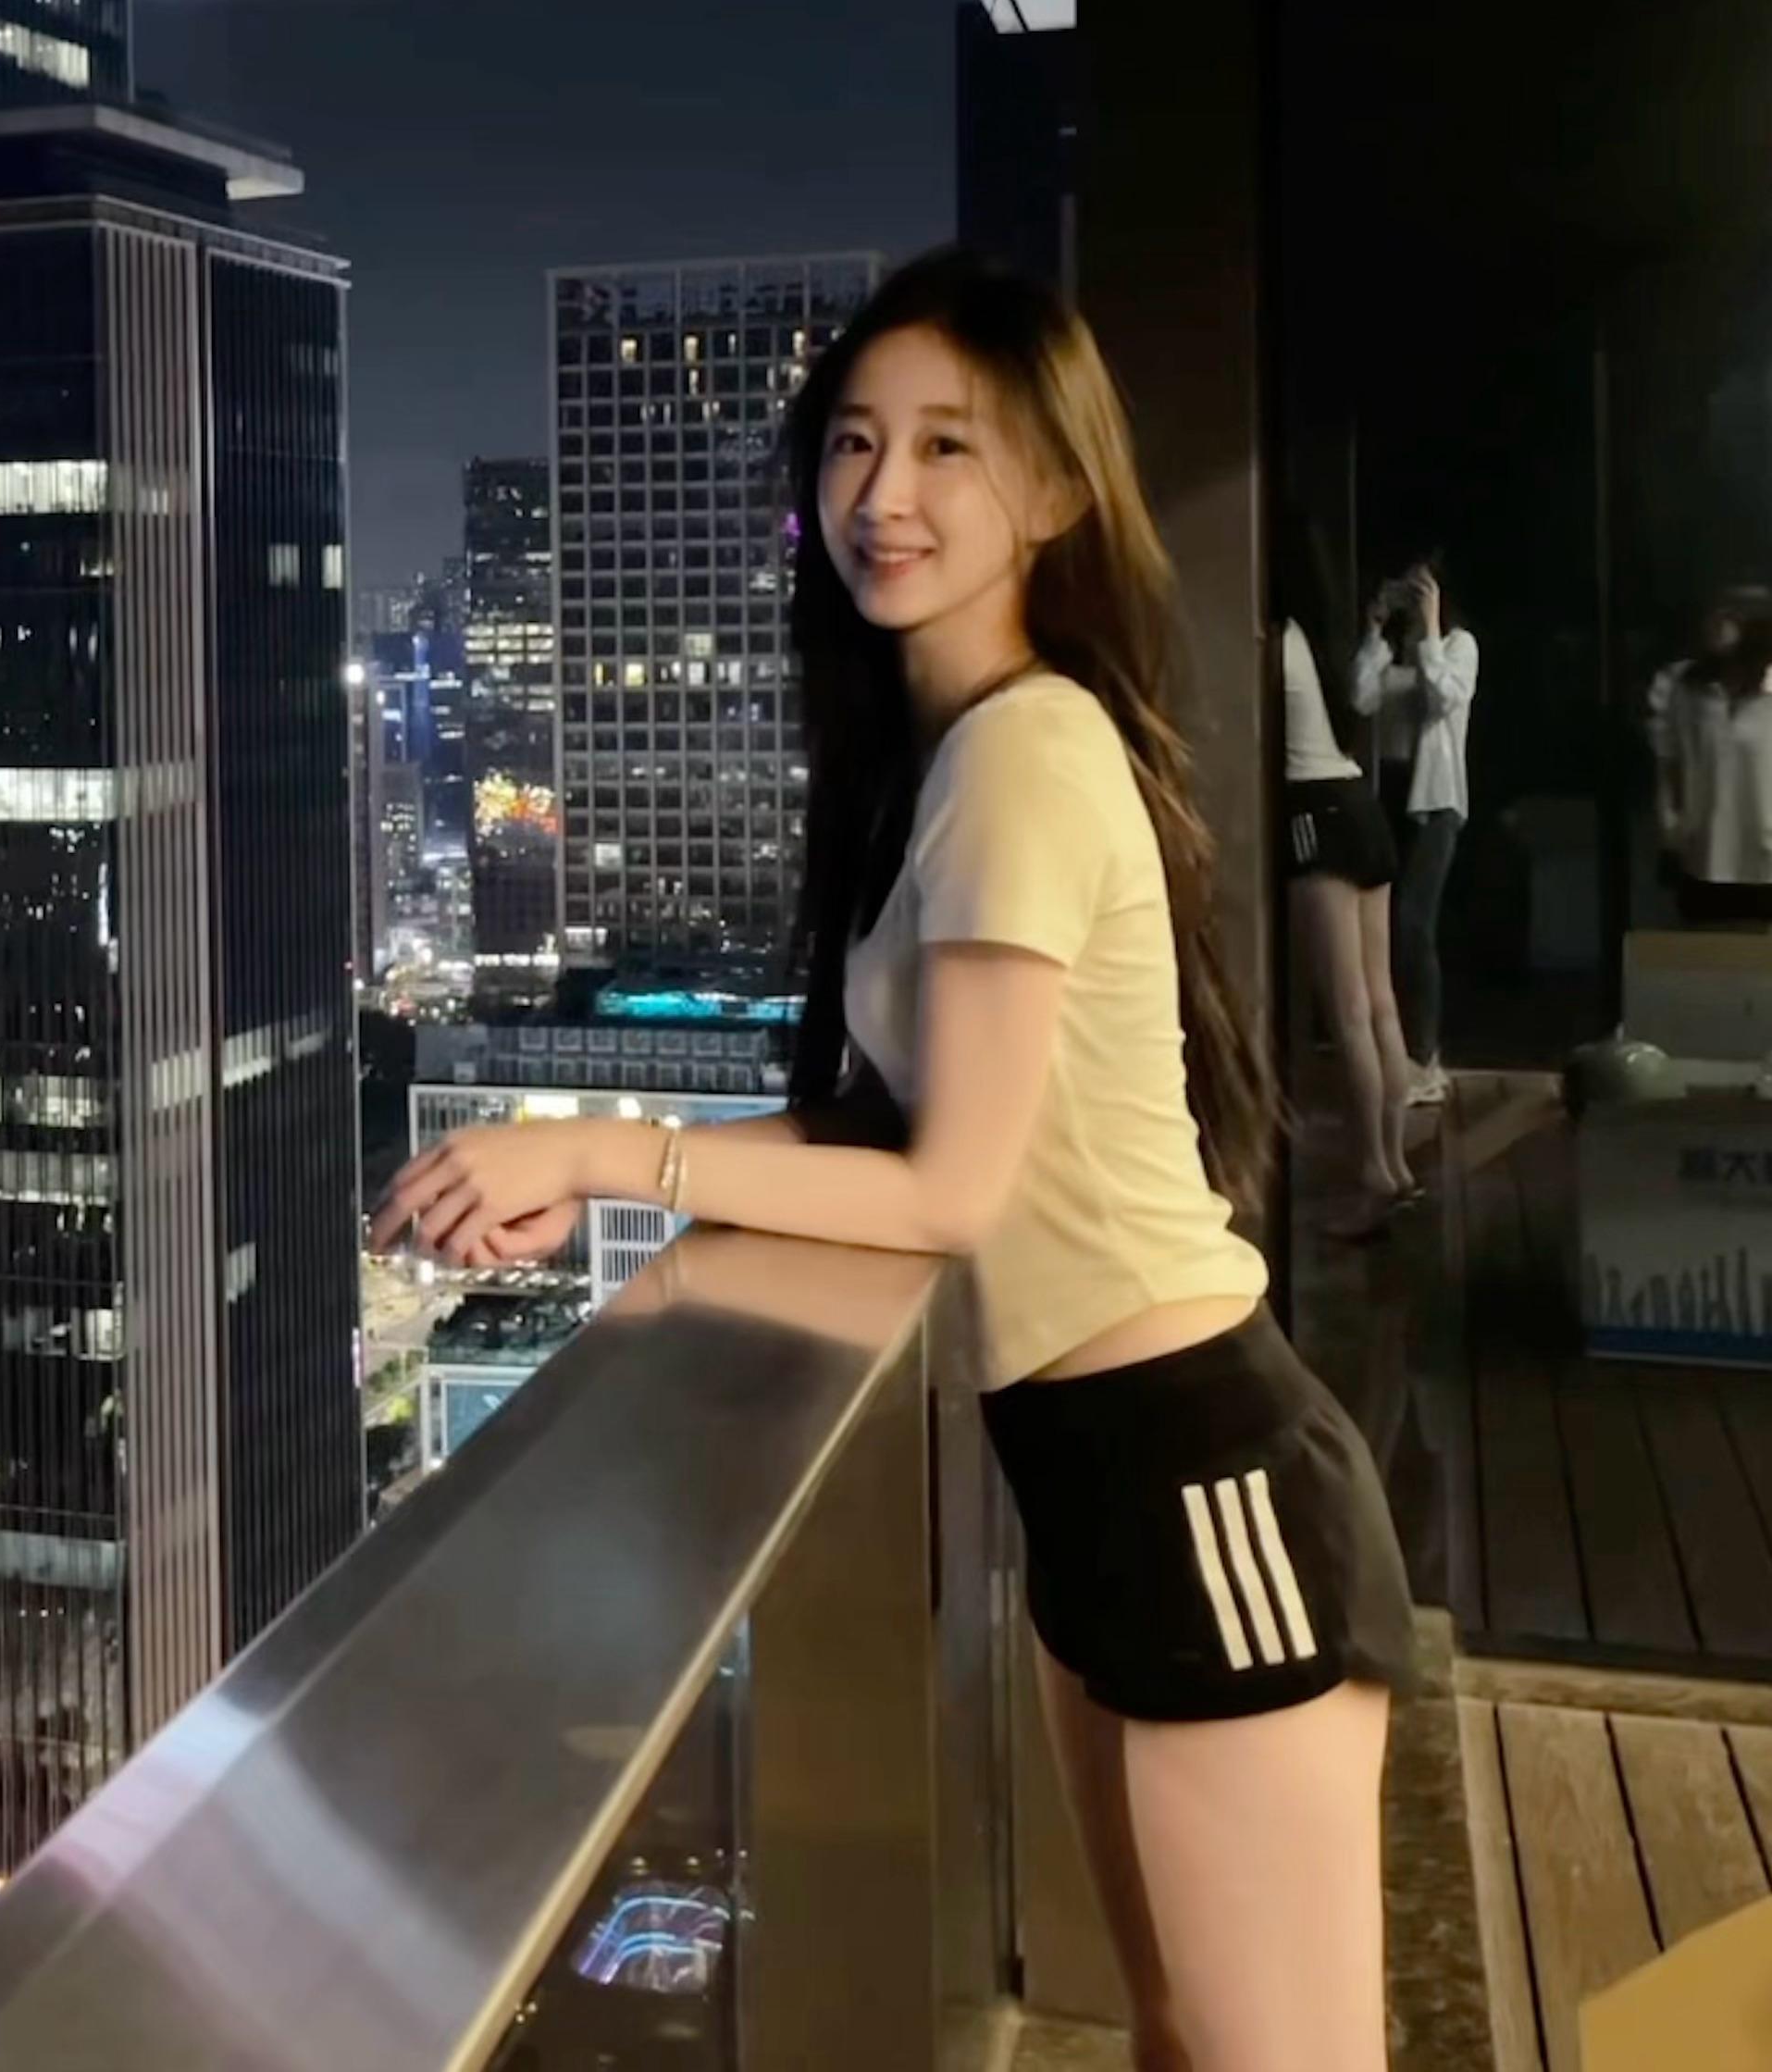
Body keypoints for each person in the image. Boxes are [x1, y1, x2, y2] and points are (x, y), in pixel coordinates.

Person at [377, 254, 1411, 2072]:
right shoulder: (957, 756)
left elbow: (949, 1195)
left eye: (948, 444)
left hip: (1198, 1471)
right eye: (855, 442)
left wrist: (617, 1145)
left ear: (1057, 490)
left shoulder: (1022, 755)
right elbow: (888, 1127)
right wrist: (585, 1166)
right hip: (1096, 1477)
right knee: (1177, 2034)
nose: (885, 491)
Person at [1278, 521, 1421, 1218]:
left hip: (1316, 813)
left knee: (1348, 1010)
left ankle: (1371, 1168)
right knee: (1381, 1003)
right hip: (1361, 806)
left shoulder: (1275, 639)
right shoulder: (1328, 640)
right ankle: (1395, 1163)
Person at [1648, 588, 1772, 927]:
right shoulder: (1683, 688)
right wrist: (1673, 832)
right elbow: (1669, 764)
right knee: (1708, 957)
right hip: (1706, 861)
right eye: (1716, 614)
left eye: (1732, 615)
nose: (1718, 624)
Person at [1351, 557, 1478, 1100]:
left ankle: (1426, 1058)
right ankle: (1394, 1051)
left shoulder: (1457, 646)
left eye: (1421, 589)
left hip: (1433, 803)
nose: (1413, 597)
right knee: (1383, 931)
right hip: (1389, 797)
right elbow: (1360, 697)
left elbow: (1443, 697)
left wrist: (1430, 625)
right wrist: (1375, 631)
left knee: (1413, 925)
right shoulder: (1396, 652)